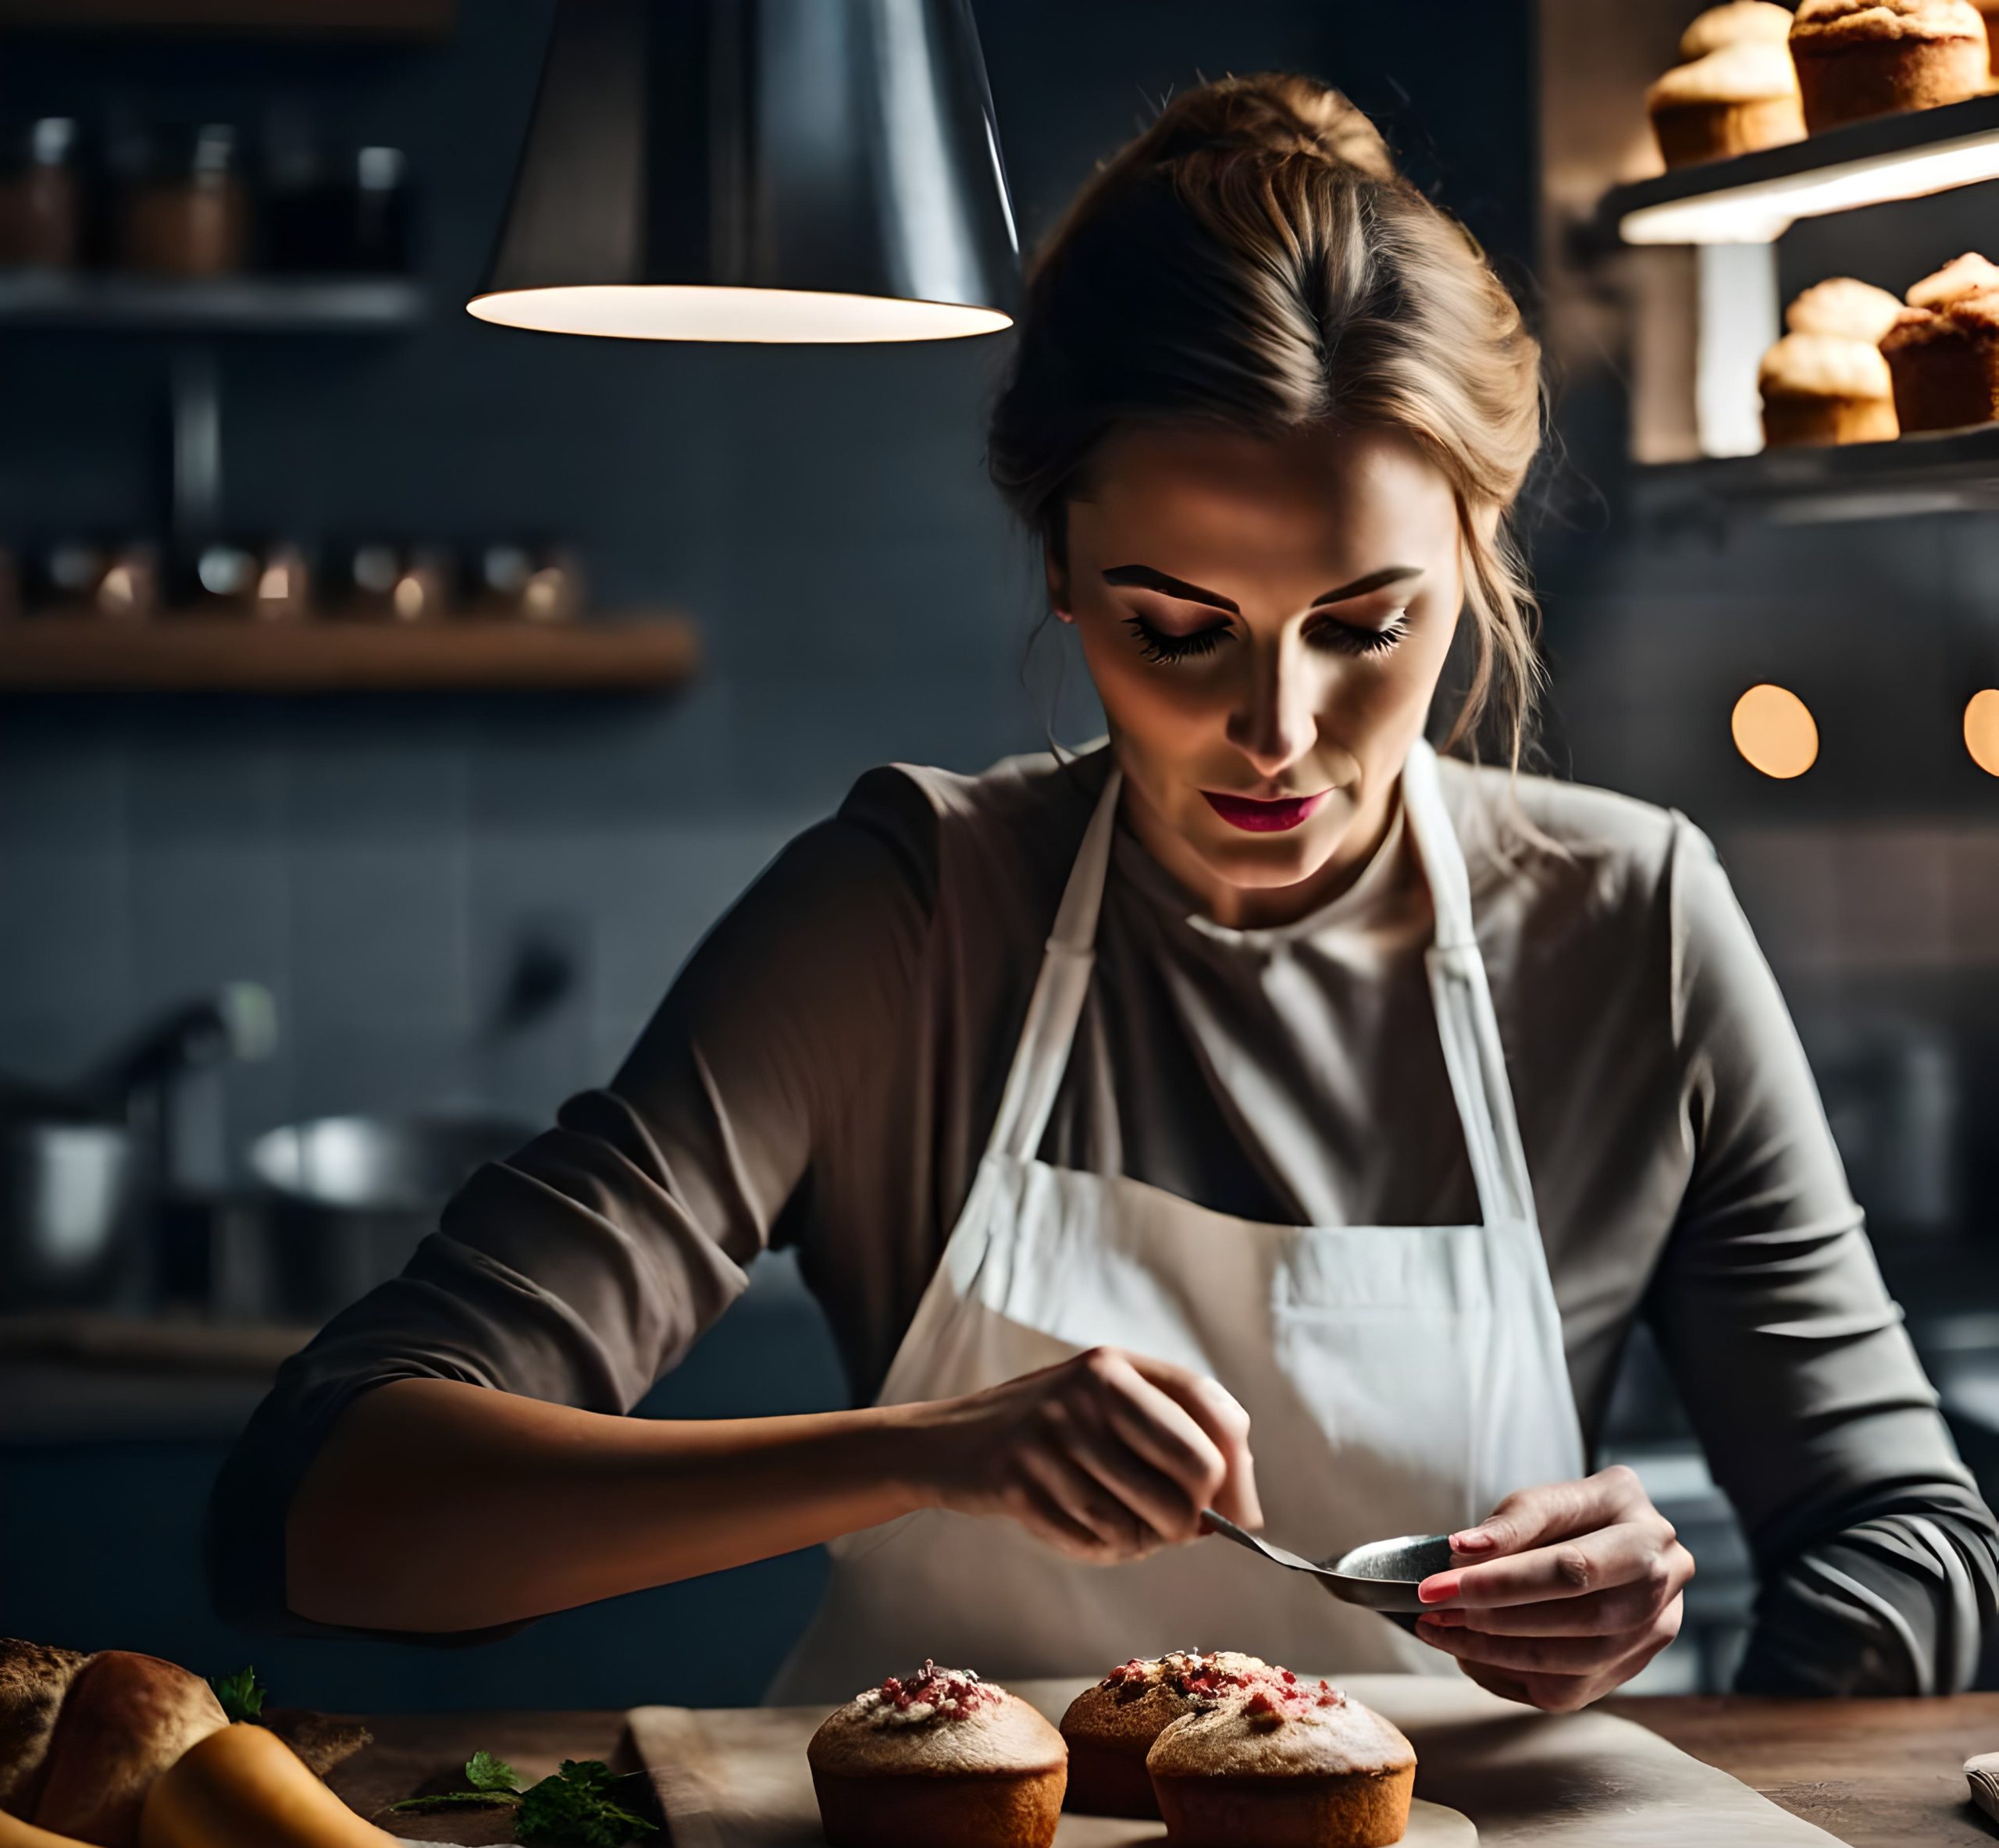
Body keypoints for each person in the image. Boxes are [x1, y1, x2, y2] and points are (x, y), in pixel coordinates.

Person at [212, 75, 1997, 1710]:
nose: (1276, 730)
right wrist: (919, 1449)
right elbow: (326, 1511)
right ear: (1058, 567)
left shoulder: (1630, 925)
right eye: (1175, 628)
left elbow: (1913, 1537)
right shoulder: (909, 914)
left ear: (1475, 556)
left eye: (1366, 626)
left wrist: (1652, 1612)